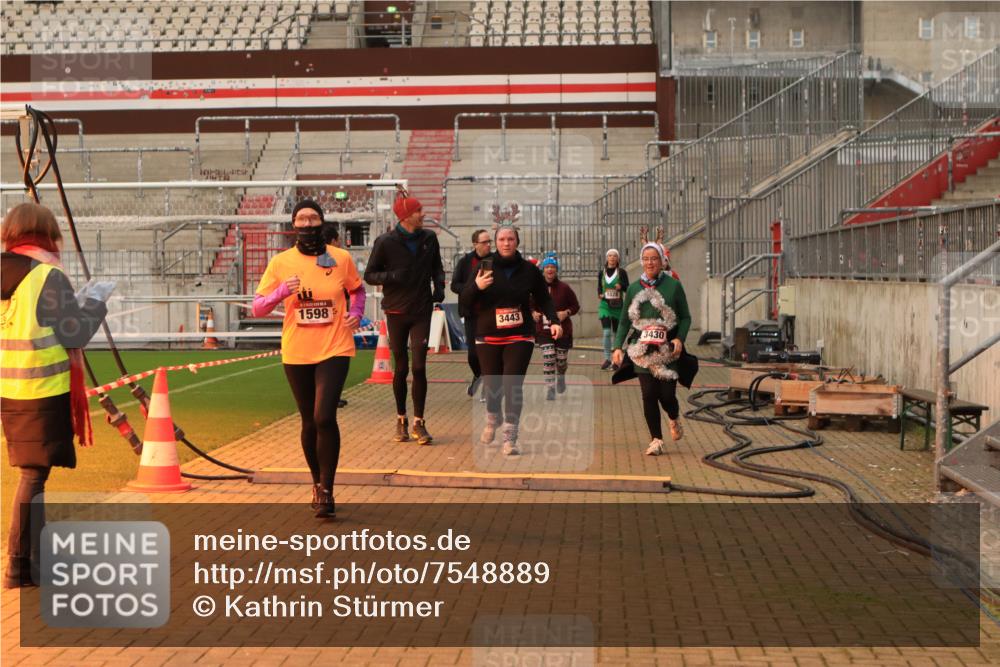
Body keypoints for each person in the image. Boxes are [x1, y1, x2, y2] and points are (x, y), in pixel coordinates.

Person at [1, 202, 111, 588]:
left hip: (9, 390)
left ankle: (34, 558)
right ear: (47, 233)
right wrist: (96, 301)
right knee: (33, 477)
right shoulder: (47, 274)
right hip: (42, 389)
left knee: (34, 474)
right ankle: (19, 566)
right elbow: (74, 333)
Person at [253, 199, 364, 518]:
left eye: (313, 218)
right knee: (308, 420)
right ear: (293, 225)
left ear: (321, 222)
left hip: (335, 346)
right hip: (297, 349)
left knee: (324, 416)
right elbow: (258, 307)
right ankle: (316, 483)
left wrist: (356, 313)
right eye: (301, 219)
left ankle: (327, 489)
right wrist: (280, 293)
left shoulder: (340, 258)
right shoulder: (280, 262)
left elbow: (357, 291)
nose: (307, 223)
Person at [460, 226, 561, 456]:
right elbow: (464, 299)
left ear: (517, 242)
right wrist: (477, 286)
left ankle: (510, 438)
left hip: (520, 335)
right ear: (495, 242)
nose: (506, 243)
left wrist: (554, 320)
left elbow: (544, 298)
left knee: (512, 385)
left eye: (511, 239)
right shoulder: (483, 267)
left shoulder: (529, 270)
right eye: (502, 239)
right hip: (488, 334)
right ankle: (492, 419)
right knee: (493, 386)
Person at [364, 195, 445, 445]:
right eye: (419, 210)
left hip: (421, 310)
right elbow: (370, 275)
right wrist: (392, 276)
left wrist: (439, 288)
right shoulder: (385, 242)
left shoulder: (429, 239)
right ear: (406, 216)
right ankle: (401, 419)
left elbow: (437, 267)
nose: (423, 214)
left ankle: (419, 422)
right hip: (397, 312)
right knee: (401, 367)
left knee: (419, 366)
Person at [611, 240, 691, 456]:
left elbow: (685, 317)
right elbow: (625, 321)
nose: (649, 263)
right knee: (648, 394)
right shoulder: (635, 288)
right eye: (646, 259)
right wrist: (617, 346)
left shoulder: (673, 285)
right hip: (642, 352)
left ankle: (673, 417)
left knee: (666, 395)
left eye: (654, 259)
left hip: (667, 352)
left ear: (662, 261)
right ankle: (656, 439)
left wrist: (680, 340)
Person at [532, 253, 579, 401]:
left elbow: (576, 306)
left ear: (557, 270)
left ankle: (561, 376)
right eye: (547, 267)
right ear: (543, 270)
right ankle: (550, 388)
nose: (550, 270)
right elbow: (529, 305)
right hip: (544, 330)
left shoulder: (565, 288)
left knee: (560, 360)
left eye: (553, 267)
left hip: (562, 331)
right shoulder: (537, 288)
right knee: (548, 357)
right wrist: (533, 313)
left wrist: (566, 312)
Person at [450, 229, 491, 398]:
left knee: (489, 353)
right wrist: (472, 288)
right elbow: (454, 285)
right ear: (475, 244)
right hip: (471, 314)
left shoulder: (495, 260)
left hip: (490, 314)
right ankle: (478, 375)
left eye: (490, 242)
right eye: (484, 242)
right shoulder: (465, 262)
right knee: (473, 354)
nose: (488, 245)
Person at [598, 249, 629, 371]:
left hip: (617, 306)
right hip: (605, 305)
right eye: (609, 255)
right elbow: (599, 287)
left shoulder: (621, 272)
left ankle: (616, 360)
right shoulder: (602, 272)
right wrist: (600, 294)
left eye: (614, 256)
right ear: (606, 258)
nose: (611, 258)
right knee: (606, 333)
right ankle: (607, 359)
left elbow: (628, 288)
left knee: (617, 335)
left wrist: (621, 286)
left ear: (617, 258)